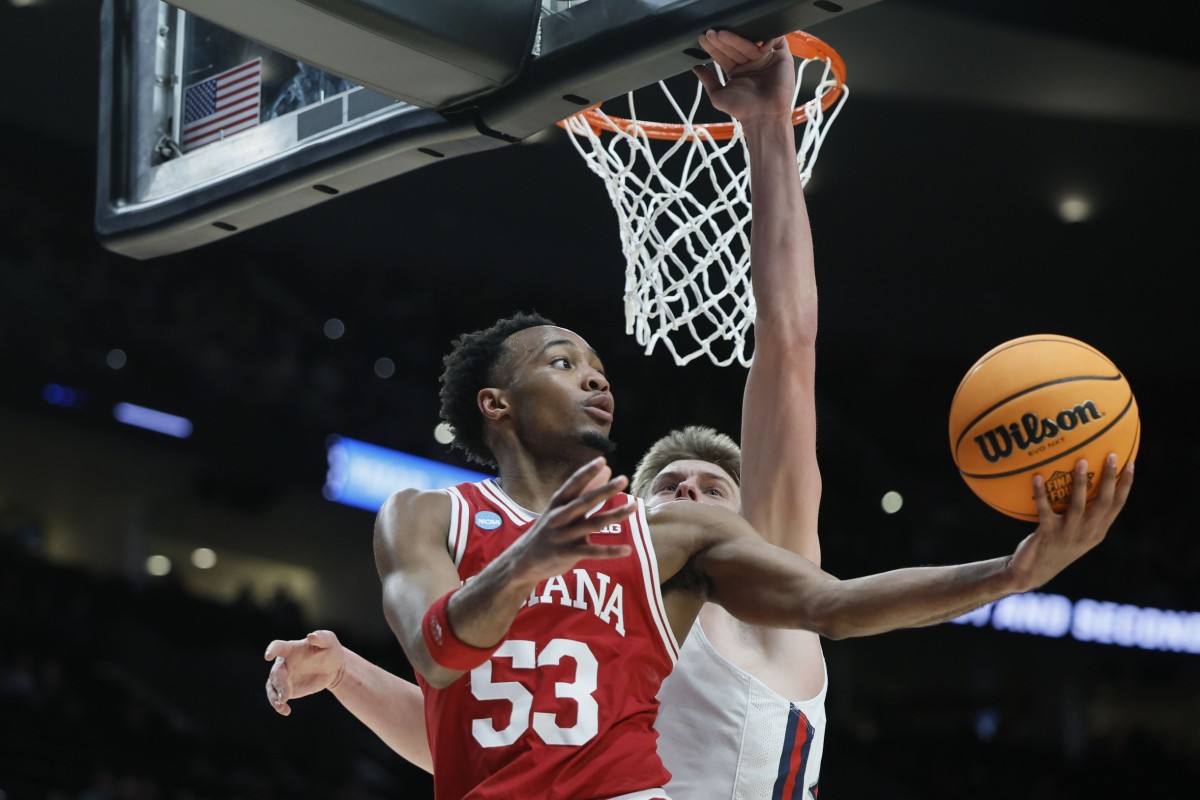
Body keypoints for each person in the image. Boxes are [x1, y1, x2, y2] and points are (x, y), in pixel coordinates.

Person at [263, 31, 1134, 800]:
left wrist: (768, 134)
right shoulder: (618, 588)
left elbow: (789, 347)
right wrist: (347, 675)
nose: (687, 491)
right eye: (668, 486)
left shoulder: (764, 571)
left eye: (712, 483)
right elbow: (480, 738)